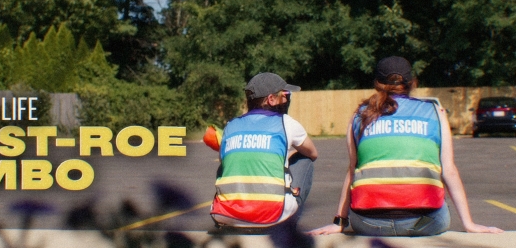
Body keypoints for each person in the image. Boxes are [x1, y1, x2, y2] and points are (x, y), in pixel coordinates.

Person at [309, 56, 503, 236]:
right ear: (412, 83)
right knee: (439, 204)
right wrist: (469, 224)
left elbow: (353, 172)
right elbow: (449, 171)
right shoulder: (434, 112)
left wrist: (339, 222)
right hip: (424, 222)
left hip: (367, 223)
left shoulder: (360, 115)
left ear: (377, 84)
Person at [208, 72, 318, 229]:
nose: (287, 99)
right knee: (305, 160)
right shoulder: (286, 122)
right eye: (285, 94)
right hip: (273, 216)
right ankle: (288, 227)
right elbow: (312, 153)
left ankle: (231, 211)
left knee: (227, 162)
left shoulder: (231, 126)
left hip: (226, 216)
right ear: (271, 99)